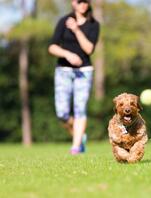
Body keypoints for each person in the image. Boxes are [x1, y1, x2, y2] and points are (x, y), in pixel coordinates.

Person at [48, 0, 100, 155]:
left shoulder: (93, 24)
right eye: (80, 1)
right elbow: (52, 46)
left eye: (86, 1)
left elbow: (89, 49)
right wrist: (67, 54)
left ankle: (76, 147)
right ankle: (79, 135)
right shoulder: (64, 21)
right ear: (73, 3)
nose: (83, 4)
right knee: (62, 113)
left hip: (84, 71)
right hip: (63, 70)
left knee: (80, 109)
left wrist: (77, 30)